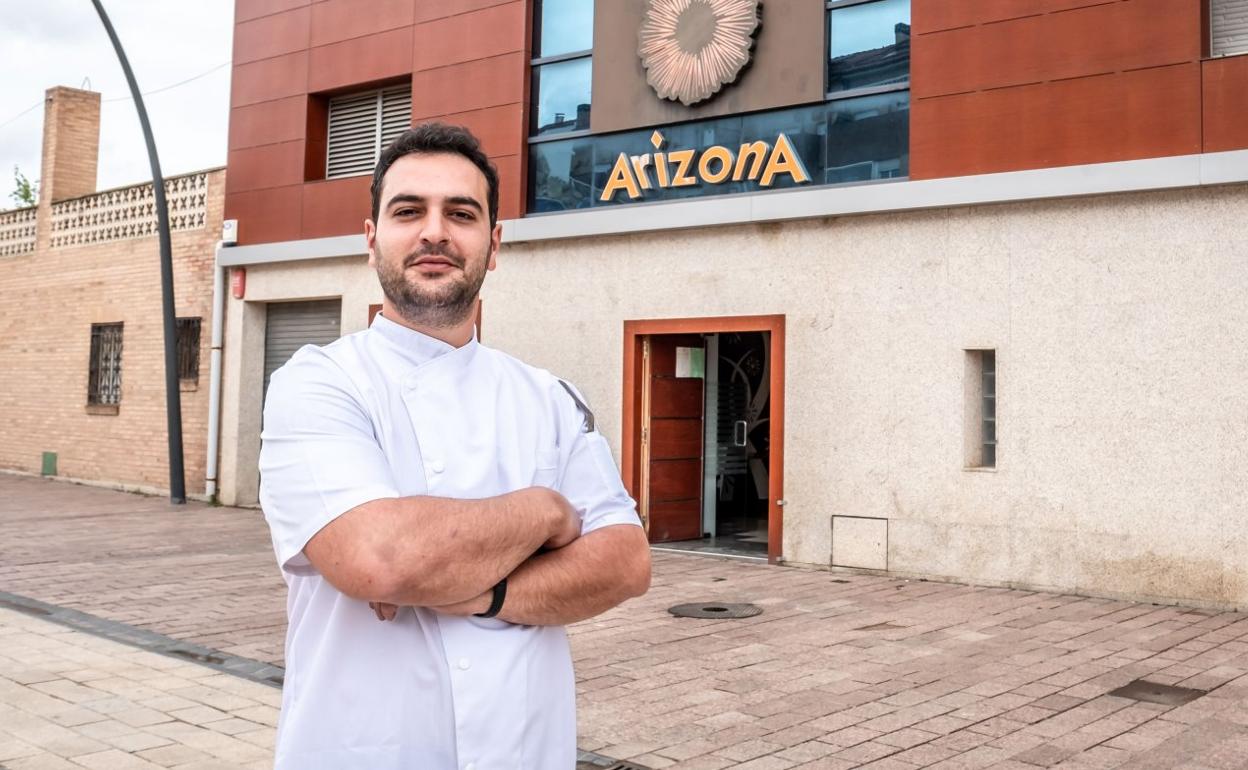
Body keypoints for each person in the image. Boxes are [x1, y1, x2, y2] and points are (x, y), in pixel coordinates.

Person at [258, 123, 652, 770]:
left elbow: (625, 562)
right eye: (408, 210)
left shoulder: (548, 397)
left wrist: (477, 592)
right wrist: (547, 513)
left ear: (493, 245)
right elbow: (383, 559)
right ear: (371, 239)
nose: (435, 232)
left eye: (461, 214)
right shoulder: (317, 381)